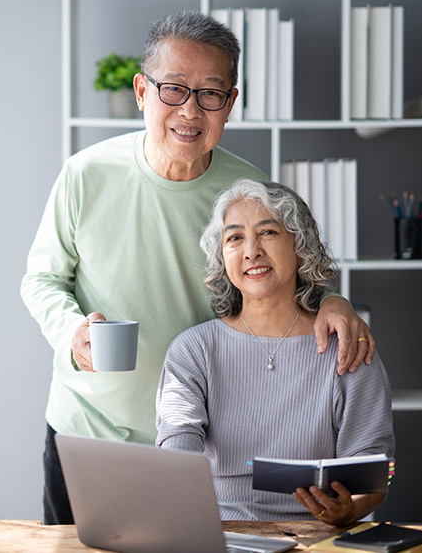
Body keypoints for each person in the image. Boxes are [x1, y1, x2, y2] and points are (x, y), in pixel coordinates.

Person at [20, 10, 375, 525]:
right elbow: (42, 279)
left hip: (207, 445)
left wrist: (334, 300)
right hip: (90, 431)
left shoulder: (248, 192)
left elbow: (279, 279)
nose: (190, 109)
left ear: (230, 103)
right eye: (173, 90)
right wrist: (73, 331)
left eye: (211, 93)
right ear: (142, 92)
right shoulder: (85, 174)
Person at [155, 179, 395, 526]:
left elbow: (375, 466)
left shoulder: (345, 346)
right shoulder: (193, 351)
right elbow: (177, 452)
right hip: (219, 531)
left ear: (301, 245)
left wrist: (351, 510)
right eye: (234, 238)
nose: (251, 251)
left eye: (267, 232)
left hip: (318, 535)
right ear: (223, 257)